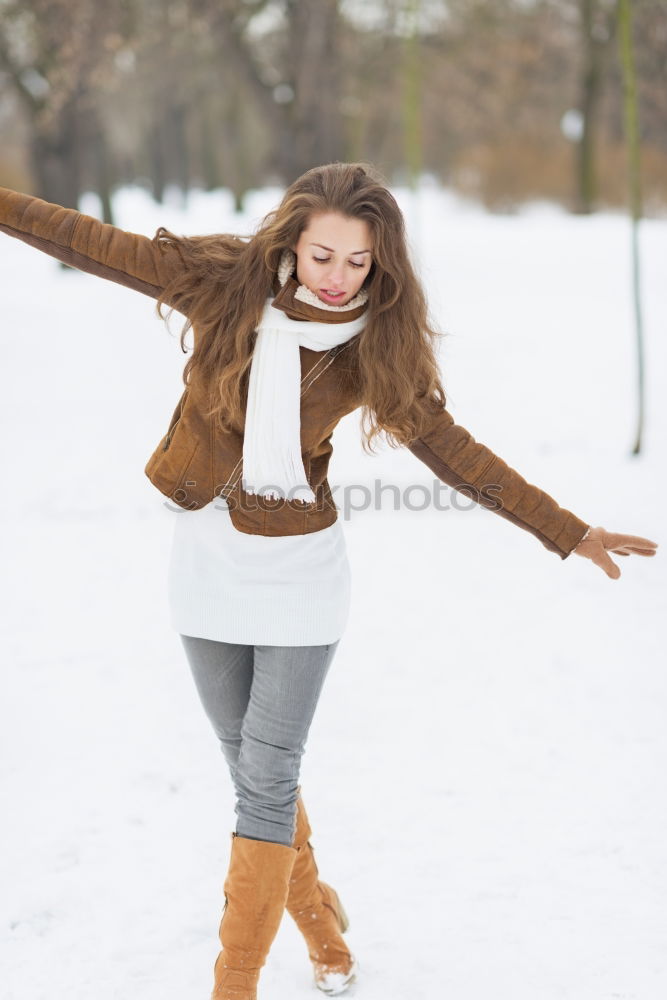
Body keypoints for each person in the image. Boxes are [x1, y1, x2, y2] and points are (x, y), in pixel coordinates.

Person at [0, 161, 658, 1000]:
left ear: (381, 262)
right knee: (251, 773)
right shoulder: (222, 288)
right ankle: (321, 928)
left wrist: (566, 531)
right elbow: (78, 239)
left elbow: (453, 452)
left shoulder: (373, 347)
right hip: (206, 562)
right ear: (291, 242)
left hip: (301, 575)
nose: (339, 278)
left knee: (267, 776)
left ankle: (233, 985)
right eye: (322, 256)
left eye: (359, 262)